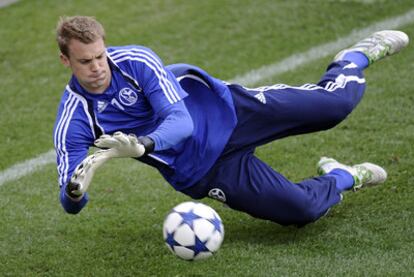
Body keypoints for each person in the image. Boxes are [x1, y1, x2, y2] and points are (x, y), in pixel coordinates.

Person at [53, 15, 409, 226]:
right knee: (300, 212)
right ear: (66, 60)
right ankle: (344, 176)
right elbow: (69, 202)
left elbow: (180, 121)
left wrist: (144, 144)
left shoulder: (135, 61)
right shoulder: (74, 121)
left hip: (231, 112)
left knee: (334, 106)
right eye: (86, 61)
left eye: (100, 55)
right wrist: (76, 191)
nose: (99, 67)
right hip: (205, 169)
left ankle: (352, 60)